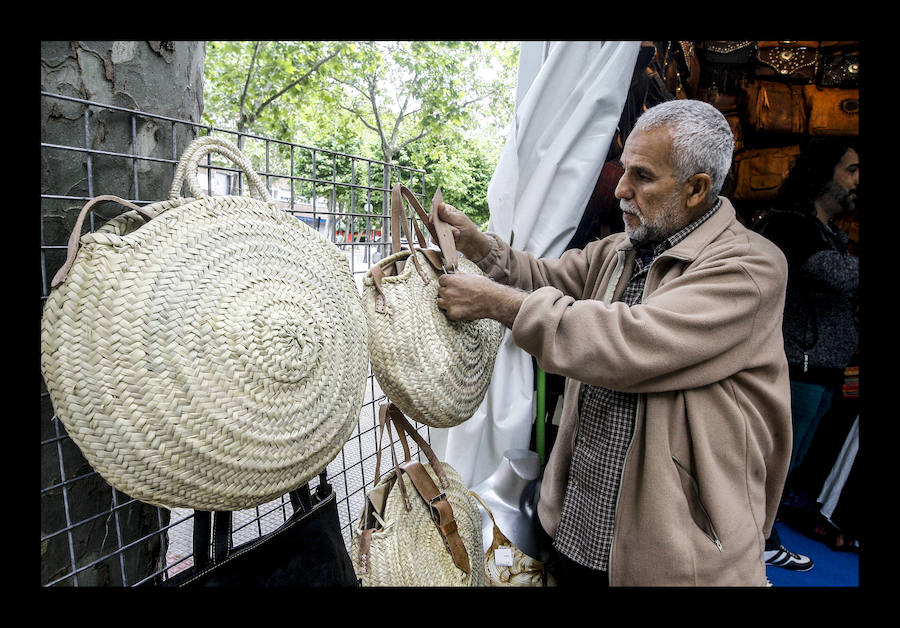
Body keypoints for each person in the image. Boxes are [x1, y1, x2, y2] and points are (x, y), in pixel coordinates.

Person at [435, 99, 792, 586]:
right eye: (625, 170)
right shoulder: (624, 249)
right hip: (584, 524)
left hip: (674, 548)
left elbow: (631, 342)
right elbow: (548, 278)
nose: (621, 190)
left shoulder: (750, 267)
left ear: (696, 189)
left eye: (642, 176)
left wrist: (500, 304)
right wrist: (482, 247)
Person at [753, 137, 859, 569]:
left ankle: (761, 533)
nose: (858, 180)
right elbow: (828, 274)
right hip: (796, 364)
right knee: (772, 458)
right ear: (822, 174)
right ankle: (753, 538)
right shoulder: (790, 225)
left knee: (789, 462)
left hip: (823, 368)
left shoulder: (830, 232)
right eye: (851, 170)